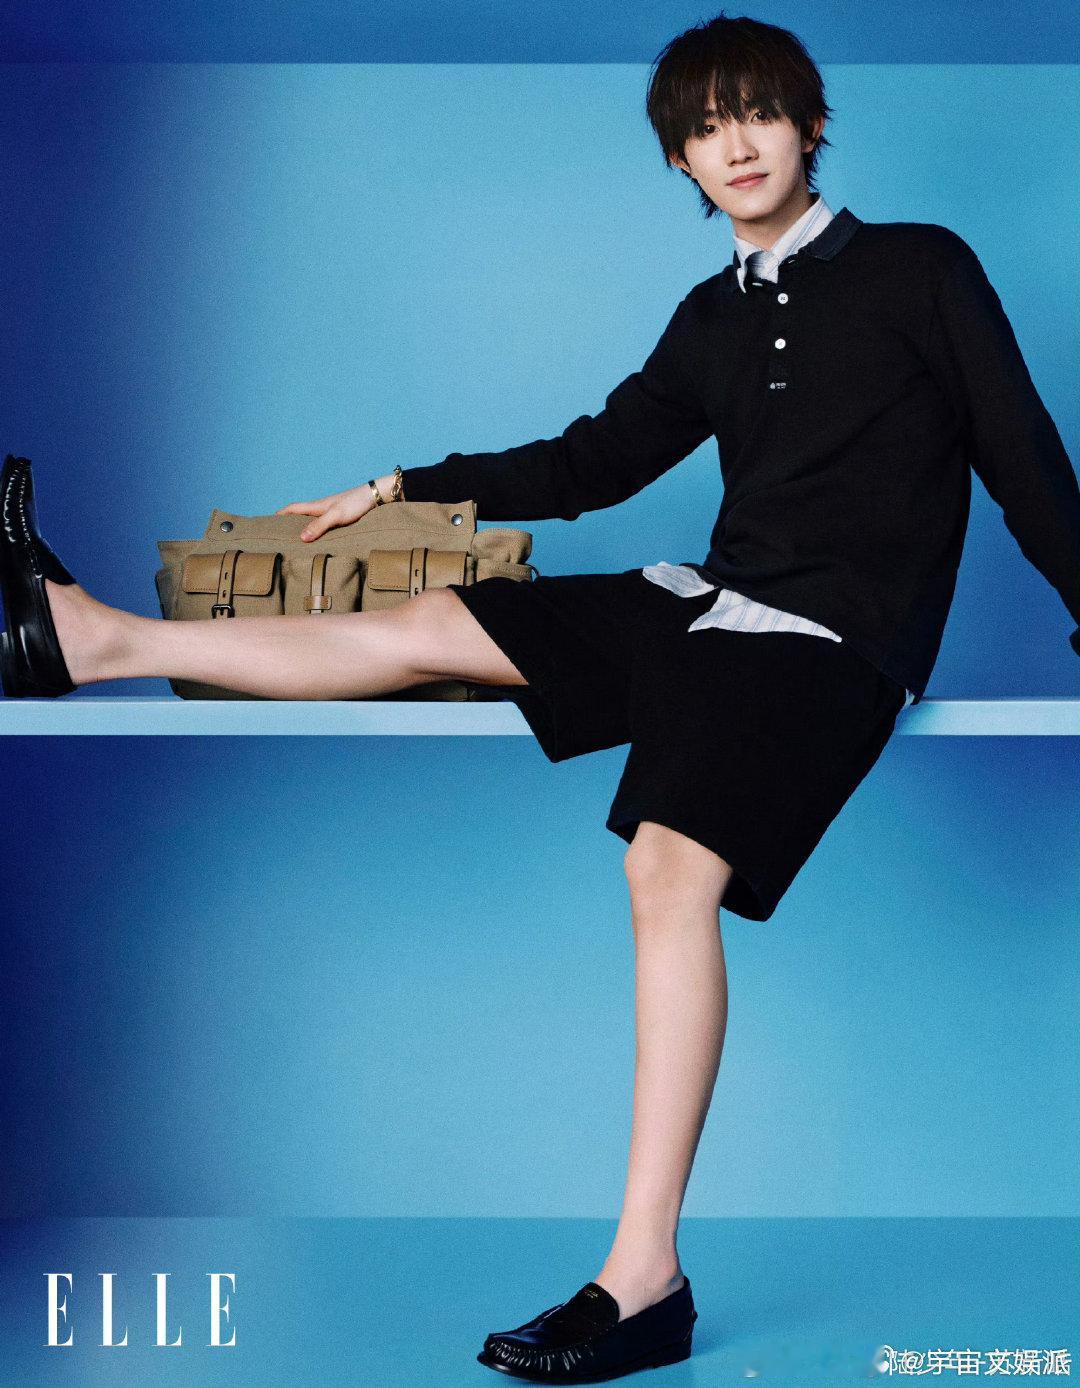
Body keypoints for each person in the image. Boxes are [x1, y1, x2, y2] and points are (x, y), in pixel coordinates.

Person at [2, 11, 1079, 1383]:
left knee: (666, 872)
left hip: (833, 637)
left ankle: (644, 1279)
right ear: (681, 162)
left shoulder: (924, 268)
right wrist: (403, 487)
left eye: (757, 113)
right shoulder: (711, 318)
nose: (735, 145)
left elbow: (1024, 459)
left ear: (811, 126)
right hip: (705, 600)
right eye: (704, 128)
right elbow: (591, 463)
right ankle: (92, 639)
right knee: (426, 626)